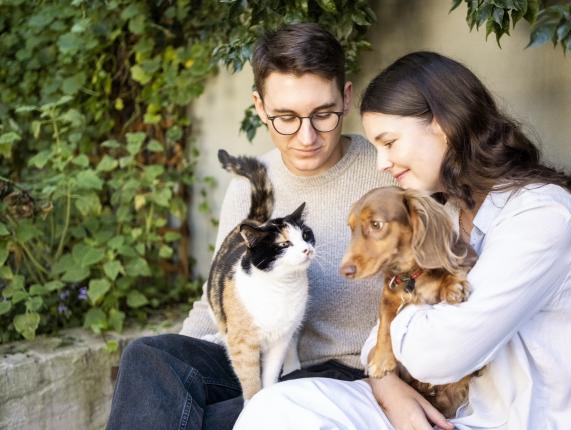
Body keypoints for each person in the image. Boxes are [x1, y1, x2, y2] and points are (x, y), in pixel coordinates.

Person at [233, 51, 571, 429]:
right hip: (430, 407)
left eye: (390, 142)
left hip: (512, 422)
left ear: (443, 126)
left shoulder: (541, 216)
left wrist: (395, 318)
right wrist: (386, 385)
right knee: (273, 409)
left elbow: (440, 354)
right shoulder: (445, 210)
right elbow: (375, 347)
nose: (381, 162)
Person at [106, 23, 392, 430]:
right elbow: (218, 299)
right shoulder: (250, 187)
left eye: (323, 114)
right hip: (255, 359)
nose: (306, 136)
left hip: (341, 377)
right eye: (286, 117)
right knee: (149, 358)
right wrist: (180, 370)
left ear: (346, 98)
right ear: (259, 107)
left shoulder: (388, 171)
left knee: (214, 420)